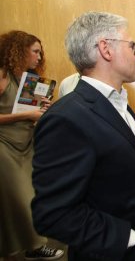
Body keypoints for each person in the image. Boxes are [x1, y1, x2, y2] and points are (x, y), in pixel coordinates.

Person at [31, 11, 135, 260]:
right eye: (133, 46)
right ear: (106, 49)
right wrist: (129, 238)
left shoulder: (117, 103)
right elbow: (53, 214)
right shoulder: (66, 118)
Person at [0, 30, 63, 261]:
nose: (39, 56)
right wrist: (25, 116)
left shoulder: (29, 79)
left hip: (27, 145)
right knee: (21, 197)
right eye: (35, 51)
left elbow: (32, 114)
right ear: (19, 50)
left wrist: (42, 109)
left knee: (31, 196)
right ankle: (35, 246)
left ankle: (30, 245)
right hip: (4, 146)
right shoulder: (3, 76)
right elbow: (20, 115)